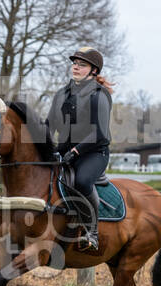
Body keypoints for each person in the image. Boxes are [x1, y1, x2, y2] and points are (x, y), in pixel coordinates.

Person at [47, 46, 114, 251]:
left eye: (81, 64)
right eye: (74, 63)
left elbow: (99, 133)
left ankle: (91, 232)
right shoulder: (62, 93)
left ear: (94, 71)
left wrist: (75, 152)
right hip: (65, 152)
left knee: (83, 181)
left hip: (93, 153)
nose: (75, 67)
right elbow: (50, 125)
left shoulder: (100, 95)